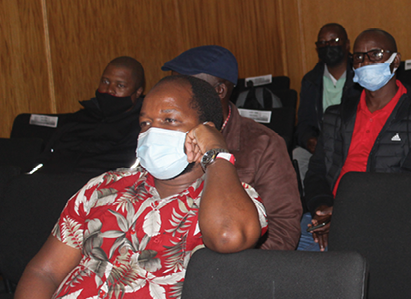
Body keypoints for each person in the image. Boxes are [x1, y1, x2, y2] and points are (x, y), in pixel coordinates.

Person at [15, 75, 267, 299]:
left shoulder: (235, 198)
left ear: (207, 130)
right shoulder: (103, 187)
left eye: (169, 120)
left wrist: (216, 154)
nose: (153, 132)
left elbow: (228, 235)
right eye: (146, 123)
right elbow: (44, 272)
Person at [303, 28, 411, 251]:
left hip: (383, 220)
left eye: (376, 55)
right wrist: (323, 209)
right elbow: (316, 172)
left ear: (395, 62)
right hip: (329, 215)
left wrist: (344, 213)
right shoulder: (336, 115)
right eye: (359, 57)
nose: (366, 63)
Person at [162, 45, 301, 251]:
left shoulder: (263, 144)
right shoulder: (164, 136)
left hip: (229, 266)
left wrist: (227, 272)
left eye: (185, 86)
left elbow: (282, 232)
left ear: (219, 90)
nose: (173, 94)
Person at [34, 56, 145, 176]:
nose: (109, 90)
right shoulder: (77, 119)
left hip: (102, 189)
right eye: (105, 82)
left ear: (138, 92)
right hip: (50, 183)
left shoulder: (140, 127)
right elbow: (45, 158)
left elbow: (127, 171)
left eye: (120, 86)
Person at [295, 23, 360, 184]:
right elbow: (304, 123)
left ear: (346, 44)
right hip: (322, 146)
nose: (328, 46)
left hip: (353, 143)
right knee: (297, 155)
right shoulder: (311, 80)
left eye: (334, 40)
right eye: (323, 42)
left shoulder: (361, 76)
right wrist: (309, 139)